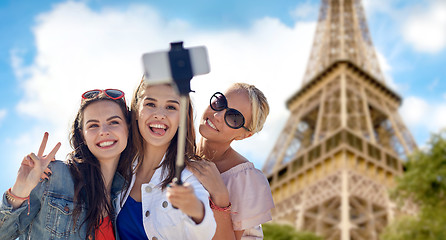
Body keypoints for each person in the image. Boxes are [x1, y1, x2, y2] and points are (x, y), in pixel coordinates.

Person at [0, 89, 133, 239]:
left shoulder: (128, 195)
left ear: (128, 127)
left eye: (114, 122)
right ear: (82, 134)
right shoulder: (53, 176)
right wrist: (19, 192)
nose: (103, 131)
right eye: (93, 125)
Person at [115, 80, 216, 240]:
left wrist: (196, 210)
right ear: (135, 111)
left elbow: (206, 233)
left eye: (171, 107)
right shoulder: (118, 165)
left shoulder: (188, 176)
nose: (160, 114)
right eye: (150, 104)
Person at [189, 83, 274, 240]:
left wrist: (220, 197)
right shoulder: (178, 151)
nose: (218, 115)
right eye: (220, 103)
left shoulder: (246, 180)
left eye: (233, 118)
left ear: (244, 135)